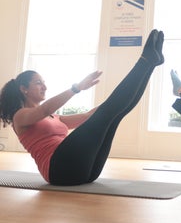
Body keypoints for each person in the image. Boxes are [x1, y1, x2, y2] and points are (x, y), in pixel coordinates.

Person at [0, 29, 164, 186]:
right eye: (38, 83)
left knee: (115, 114)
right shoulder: (20, 117)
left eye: (44, 82)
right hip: (59, 171)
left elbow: (88, 116)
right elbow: (44, 110)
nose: (44, 87)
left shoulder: (55, 117)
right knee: (109, 112)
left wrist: (112, 102)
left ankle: (150, 65)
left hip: (85, 171)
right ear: (23, 89)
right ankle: (145, 61)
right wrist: (76, 88)